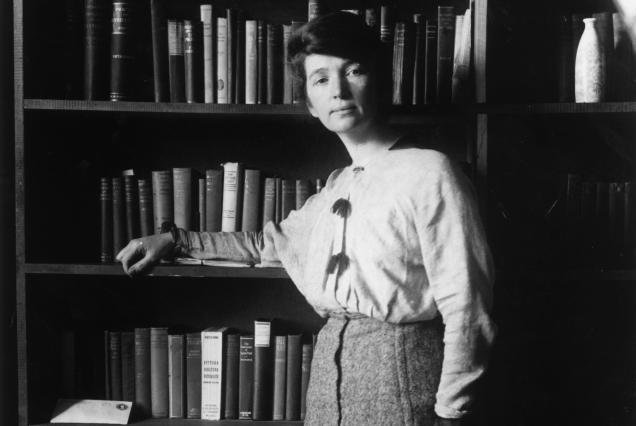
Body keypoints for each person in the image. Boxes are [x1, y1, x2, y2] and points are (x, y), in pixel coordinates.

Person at [117, 12, 496, 426]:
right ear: (311, 105)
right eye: (320, 79)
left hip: (404, 385)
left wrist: (450, 412)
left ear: (380, 82)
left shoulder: (432, 172)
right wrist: (176, 241)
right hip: (326, 384)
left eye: (353, 70)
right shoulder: (335, 187)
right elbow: (265, 245)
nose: (338, 91)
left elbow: (468, 306)